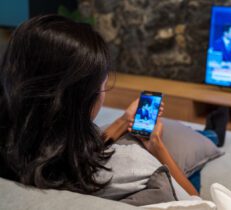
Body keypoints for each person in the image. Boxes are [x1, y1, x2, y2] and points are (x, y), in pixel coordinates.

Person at [0, 15, 199, 204]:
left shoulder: (18, 148)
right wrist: (155, 144)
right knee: (200, 137)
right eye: (102, 86)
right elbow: (197, 202)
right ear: (83, 99)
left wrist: (123, 121)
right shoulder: (134, 166)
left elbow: (69, 151)